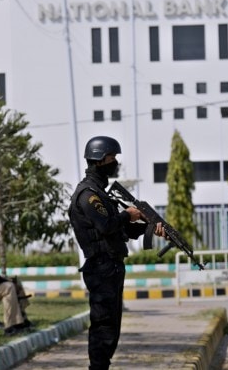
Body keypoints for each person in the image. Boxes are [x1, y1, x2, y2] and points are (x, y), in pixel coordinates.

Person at [68, 135, 165, 370]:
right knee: (103, 325)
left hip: (110, 266)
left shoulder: (101, 193)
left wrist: (150, 227)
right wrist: (127, 214)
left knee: (111, 325)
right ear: (100, 160)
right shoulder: (88, 195)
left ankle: (102, 366)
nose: (115, 163)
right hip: (101, 267)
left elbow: (121, 230)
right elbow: (107, 225)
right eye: (112, 158)